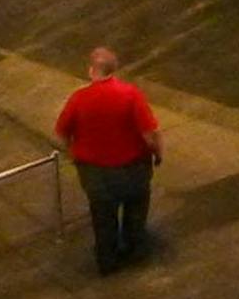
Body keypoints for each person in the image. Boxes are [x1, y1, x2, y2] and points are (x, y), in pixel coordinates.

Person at [54, 47, 162, 275]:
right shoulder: (131, 94)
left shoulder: (79, 99)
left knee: (103, 219)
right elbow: (149, 133)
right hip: (133, 168)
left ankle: (107, 261)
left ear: (91, 71)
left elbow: (62, 133)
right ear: (115, 69)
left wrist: (72, 154)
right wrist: (157, 153)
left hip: (96, 173)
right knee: (135, 211)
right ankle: (135, 250)